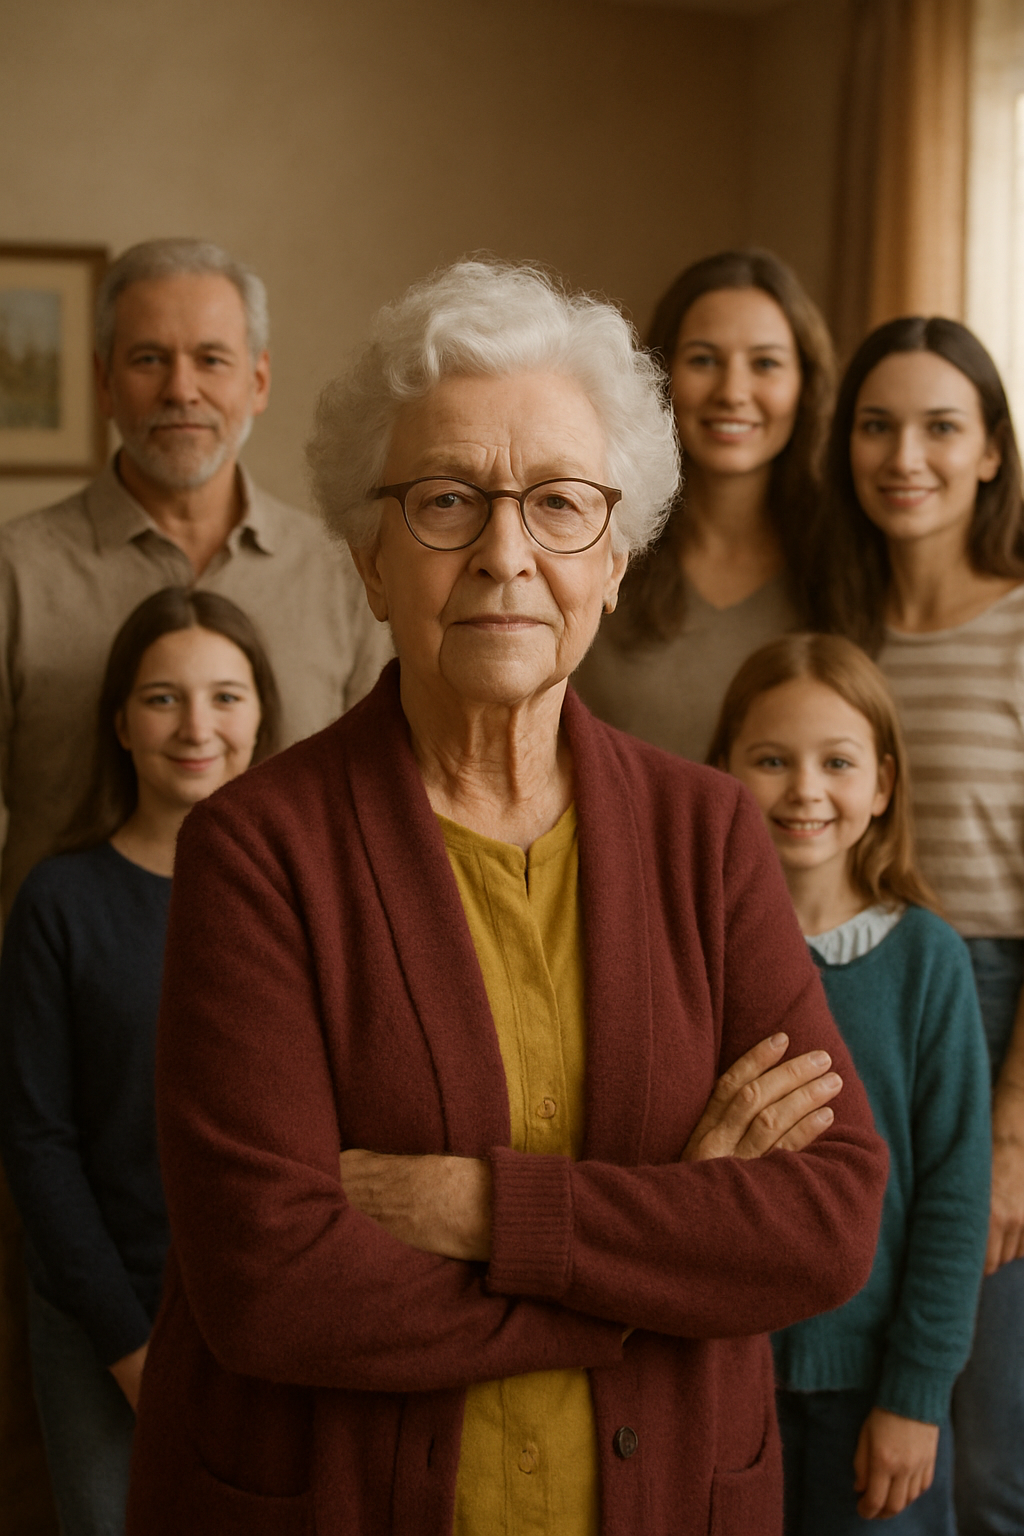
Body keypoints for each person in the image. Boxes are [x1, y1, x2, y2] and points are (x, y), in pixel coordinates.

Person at [125, 260, 887, 1536]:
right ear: (371, 562)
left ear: (615, 561)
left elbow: (823, 1221)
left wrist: (482, 1209)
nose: (504, 554)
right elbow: (270, 1283)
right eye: (444, 501)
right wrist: (653, 1268)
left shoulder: (707, 834)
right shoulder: (257, 850)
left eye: (559, 504)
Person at [0, 237, 389, 1531]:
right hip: (76, 1074)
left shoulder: (338, 576)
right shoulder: (17, 571)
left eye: (211, 358)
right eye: (150, 359)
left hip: (289, 1099)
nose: (183, 388)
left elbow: (381, 823)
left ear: (259, 379)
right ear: (104, 379)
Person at [0, 586, 280, 1536]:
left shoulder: (300, 898)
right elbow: (36, 1143)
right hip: (101, 1313)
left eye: (225, 696)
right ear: (121, 723)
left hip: (267, 1309)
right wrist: (129, 1350)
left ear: (261, 713)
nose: (196, 727)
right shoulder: (59, 902)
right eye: (163, 698)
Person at [813, 316, 1024, 1536]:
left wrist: (1011, 1133)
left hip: (997, 1017)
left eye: (941, 427)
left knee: (987, 1447)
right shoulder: (840, 632)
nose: (905, 457)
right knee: (872, 1413)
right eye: (876, 426)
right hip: (860, 1000)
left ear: (990, 450)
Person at [710, 632, 990, 1534]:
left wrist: (916, 1395)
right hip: (723, 1379)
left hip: (877, 1393)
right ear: (722, 774)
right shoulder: (695, 956)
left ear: (882, 785)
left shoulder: (928, 961)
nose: (805, 789)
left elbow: (954, 1195)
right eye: (771, 760)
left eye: (836, 762)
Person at [574, 248, 834, 761]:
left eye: (765, 364)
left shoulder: (844, 561)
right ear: (660, 376)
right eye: (704, 360)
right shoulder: (600, 544)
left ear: (805, 385)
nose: (733, 392)